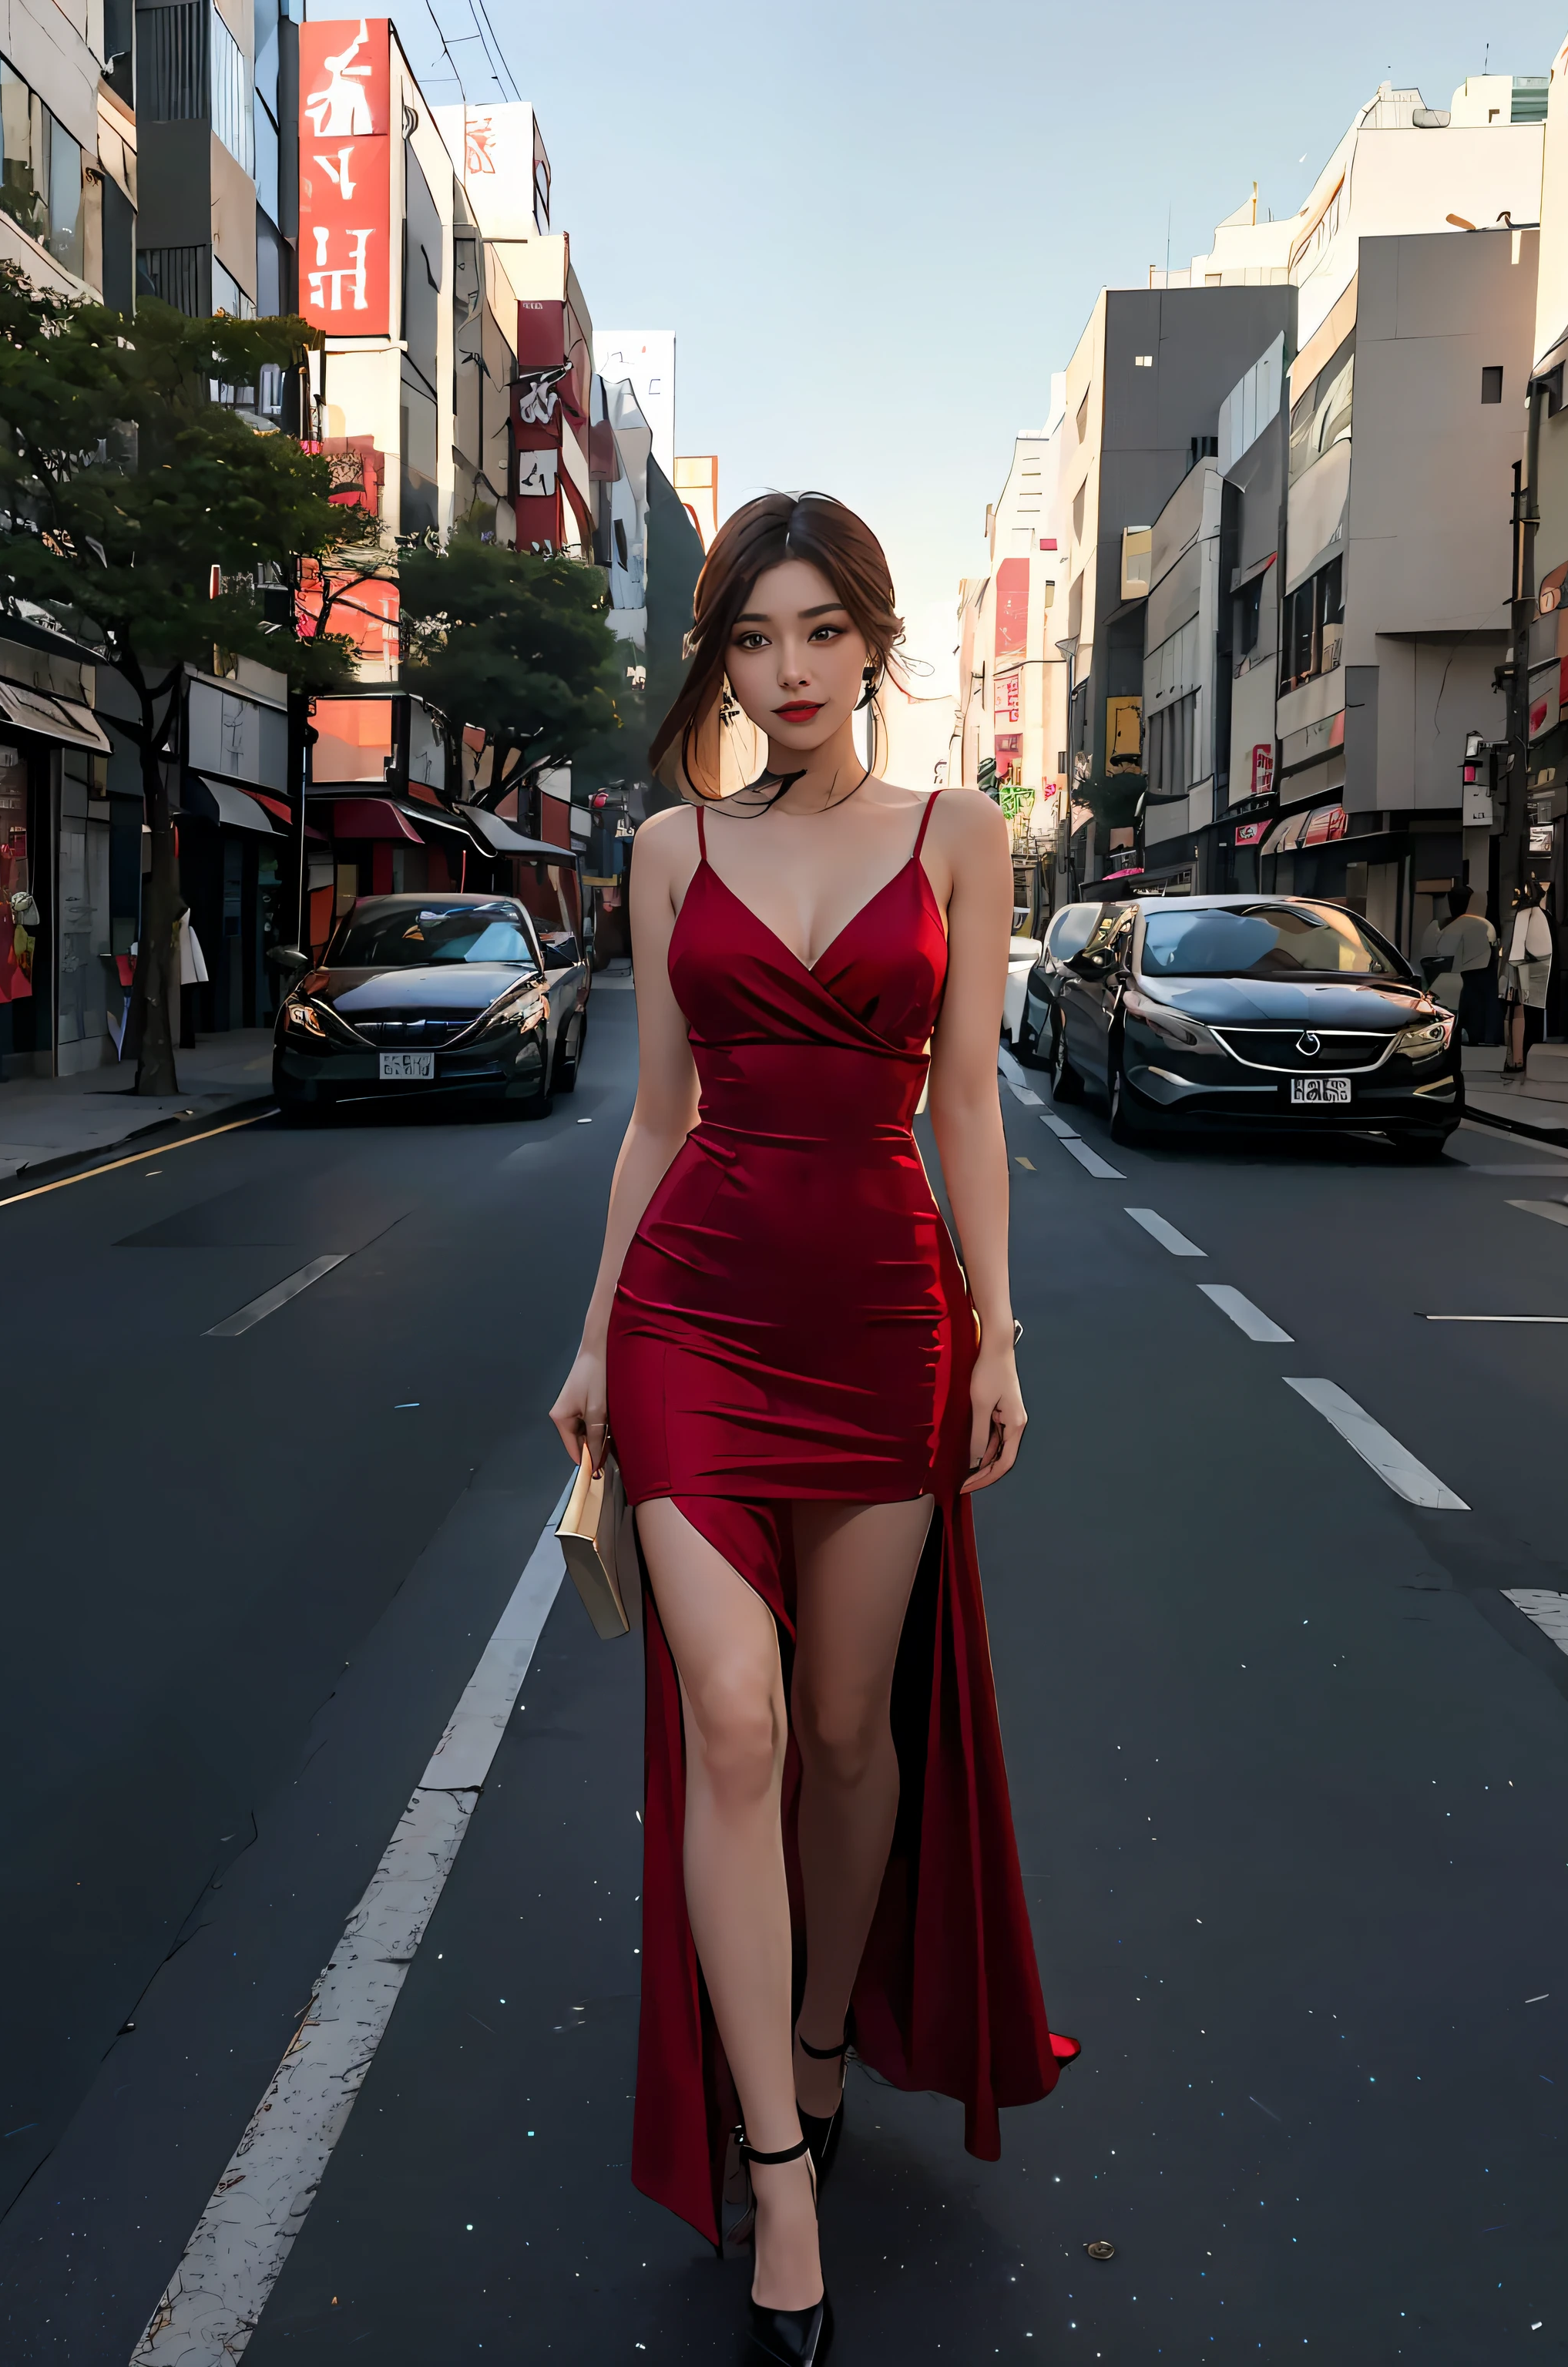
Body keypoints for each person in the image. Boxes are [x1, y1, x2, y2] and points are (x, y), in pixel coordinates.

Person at [549, 492, 1073, 2366]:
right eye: (752, 639)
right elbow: (652, 1117)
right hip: (696, 1307)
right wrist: (603, 1334)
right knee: (740, 1714)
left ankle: (833, 2032)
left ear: (872, 641)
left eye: (818, 633)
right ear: (721, 656)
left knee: (853, 1731)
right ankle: (777, 2164)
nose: (785, 671)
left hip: (882, 1319)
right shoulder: (668, 844)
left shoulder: (963, 835)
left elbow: (968, 1109)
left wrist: (999, 1325)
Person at [1501, 876, 1553, 1073]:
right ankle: (1517, 1058)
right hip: (1531, 968)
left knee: (1519, 1012)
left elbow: (1515, 949)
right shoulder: (1538, 914)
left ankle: (1516, 1058)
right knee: (1521, 1012)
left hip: (1525, 968)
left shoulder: (1527, 914)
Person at [1434, 883, 1496, 1045]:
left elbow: (1442, 950)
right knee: (1477, 1010)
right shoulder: (1484, 924)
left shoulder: (1449, 926)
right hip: (1482, 973)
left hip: (1458, 974)